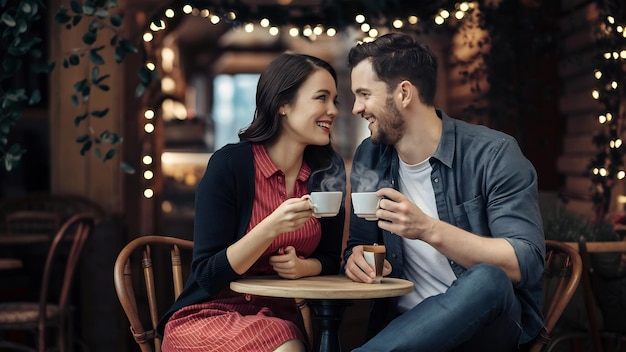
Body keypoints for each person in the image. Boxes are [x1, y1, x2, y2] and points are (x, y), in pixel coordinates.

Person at [343, 32, 545, 351]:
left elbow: (526, 263)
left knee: (488, 278)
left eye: (364, 94)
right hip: (405, 331)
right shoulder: (371, 155)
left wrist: (428, 229)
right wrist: (354, 259)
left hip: (487, 329)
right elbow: (359, 245)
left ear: (404, 93)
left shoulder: (493, 154)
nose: (356, 108)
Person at [158, 53, 346, 352]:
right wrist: (269, 228)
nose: (333, 110)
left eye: (335, 100)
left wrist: (304, 267)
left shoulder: (326, 171)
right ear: (282, 104)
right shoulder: (230, 165)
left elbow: (330, 260)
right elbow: (207, 273)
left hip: (277, 318)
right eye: (321, 98)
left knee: (288, 340)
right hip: (208, 316)